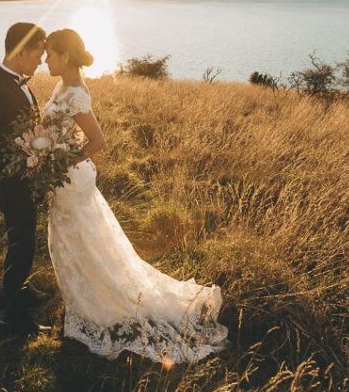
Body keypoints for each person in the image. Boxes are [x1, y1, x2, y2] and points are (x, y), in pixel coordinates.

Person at [42, 28, 229, 363]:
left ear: (65, 57)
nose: (45, 59)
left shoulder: (77, 95)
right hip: (63, 180)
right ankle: (81, 303)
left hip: (70, 180)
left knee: (84, 244)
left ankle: (99, 307)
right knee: (72, 244)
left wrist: (61, 163)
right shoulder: (62, 86)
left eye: (49, 54)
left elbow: (97, 141)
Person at [0, 22, 50, 336]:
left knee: (25, 244)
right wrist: (22, 160)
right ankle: (14, 319)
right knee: (21, 247)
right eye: (38, 54)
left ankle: (21, 291)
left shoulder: (19, 84)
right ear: (20, 51)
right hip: (13, 185)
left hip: (26, 183)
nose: (41, 61)